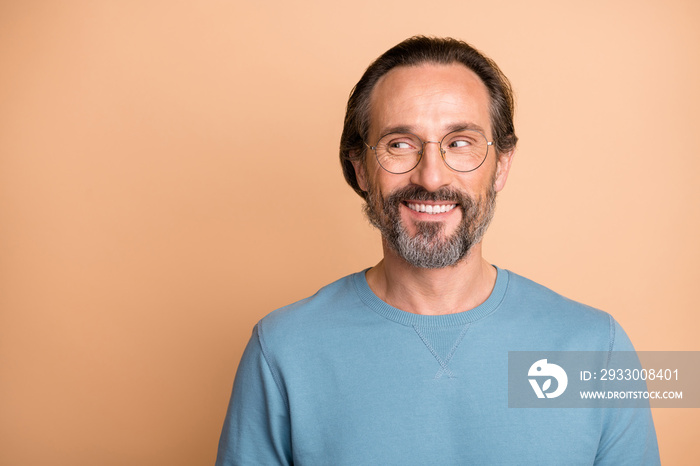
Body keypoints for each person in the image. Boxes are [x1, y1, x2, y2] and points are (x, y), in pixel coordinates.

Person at [216, 36, 660, 465]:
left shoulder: (596, 349)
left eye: (460, 143)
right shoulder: (282, 350)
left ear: (501, 165)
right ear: (361, 169)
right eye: (400, 144)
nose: (431, 177)